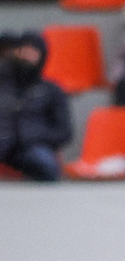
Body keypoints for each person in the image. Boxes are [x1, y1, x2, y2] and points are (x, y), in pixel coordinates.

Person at [0, 32, 74, 181]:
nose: (27, 57)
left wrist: (32, 135)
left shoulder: (52, 91)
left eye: (32, 53)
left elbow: (64, 132)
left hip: (31, 146)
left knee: (46, 166)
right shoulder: (3, 85)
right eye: (23, 52)